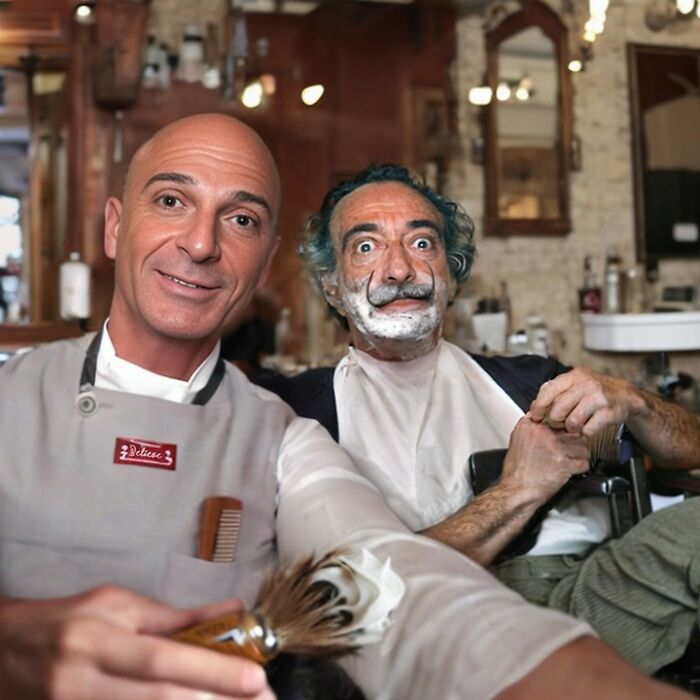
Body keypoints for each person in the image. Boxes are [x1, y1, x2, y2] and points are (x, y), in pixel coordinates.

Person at [0, 114, 686, 700]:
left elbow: (391, 583)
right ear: (115, 226)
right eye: (172, 200)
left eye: (240, 219)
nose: (201, 244)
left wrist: (631, 401)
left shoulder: (279, 434)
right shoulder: (305, 405)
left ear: (262, 264)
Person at [257, 161, 700, 680]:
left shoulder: (528, 380)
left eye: (422, 243)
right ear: (332, 286)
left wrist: (636, 403)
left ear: (450, 271)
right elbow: (348, 593)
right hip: (456, 623)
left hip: (599, 586)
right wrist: (517, 491)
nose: (399, 269)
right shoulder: (301, 412)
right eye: (367, 247)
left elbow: (690, 449)